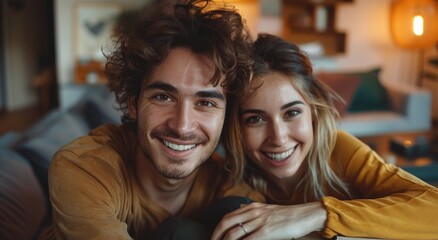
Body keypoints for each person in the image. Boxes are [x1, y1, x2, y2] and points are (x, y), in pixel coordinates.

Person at [39, 0, 264, 239]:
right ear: (133, 104)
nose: (182, 126)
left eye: (205, 103)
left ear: (226, 117)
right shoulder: (85, 168)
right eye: (163, 97)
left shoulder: (229, 184)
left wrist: (308, 213)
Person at [212, 33, 438, 239]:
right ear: (237, 127)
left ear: (313, 111)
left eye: (292, 113)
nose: (278, 138)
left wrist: (319, 213)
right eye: (256, 119)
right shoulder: (234, 187)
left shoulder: (338, 148)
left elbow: (433, 209)